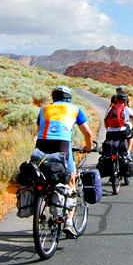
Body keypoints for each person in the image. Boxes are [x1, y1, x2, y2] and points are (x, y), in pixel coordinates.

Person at [36, 85, 93, 238]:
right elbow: (87, 133)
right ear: (69, 98)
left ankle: (43, 200)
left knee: (44, 174)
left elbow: (38, 131)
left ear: (53, 97)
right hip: (62, 145)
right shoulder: (75, 109)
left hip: (41, 145)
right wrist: (88, 147)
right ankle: (68, 222)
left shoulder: (44, 109)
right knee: (71, 181)